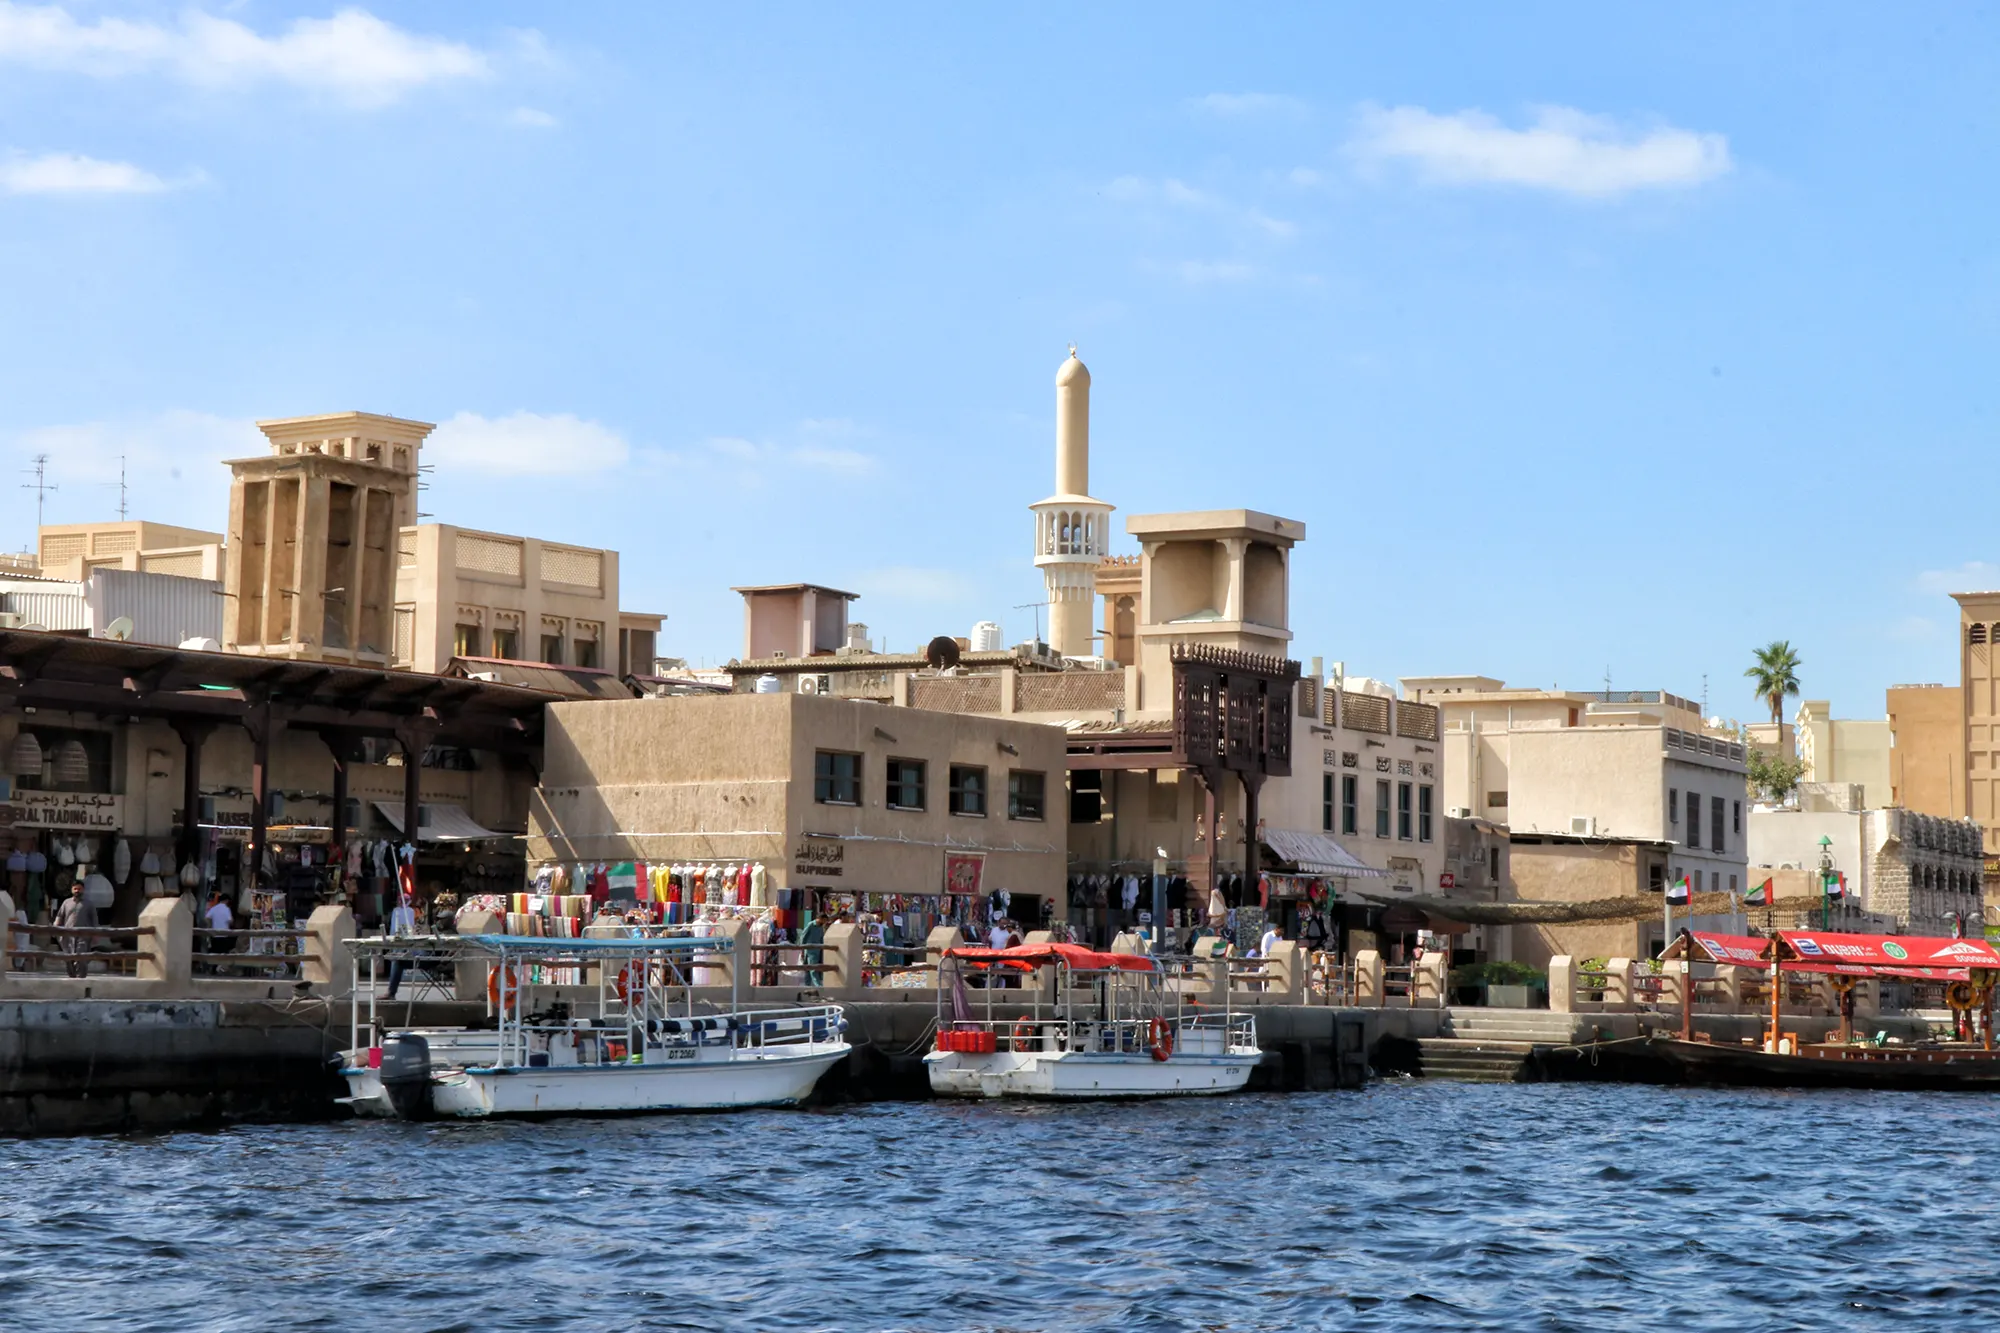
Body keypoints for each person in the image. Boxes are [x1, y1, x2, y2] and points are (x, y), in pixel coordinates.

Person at [54, 882, 95, 978]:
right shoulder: (66, 903)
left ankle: (81, 977)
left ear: (83, 890)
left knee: (81, 956)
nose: (77, 891)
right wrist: (55, 926)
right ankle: (71, 976)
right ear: (72, 890)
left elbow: (94, 920)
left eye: (79, 889)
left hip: (83, 934)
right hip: (68, 935)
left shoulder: (89, 904)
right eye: (75, 889)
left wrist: (96, 935)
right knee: (68, 957)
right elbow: (60, 916)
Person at [384, 892, 419, 1000]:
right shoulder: (396, 911)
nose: (400, 902)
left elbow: (411, 925)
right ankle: (391, 990)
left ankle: (391, 991)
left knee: (399, 958)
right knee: (396, 957)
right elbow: (394, 926)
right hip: (397, 937)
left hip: (406, 937)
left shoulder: (410, 911)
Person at [204, 890, 234, 975]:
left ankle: (213, 969)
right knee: (223, 953)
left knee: (214, 952)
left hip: (215, 934)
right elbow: (230, 920)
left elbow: (207, 918)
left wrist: (210, 925)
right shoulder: (227, 909)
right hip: (224, 934)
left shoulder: (214, 908)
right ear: (226, 901)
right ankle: (221, 970)